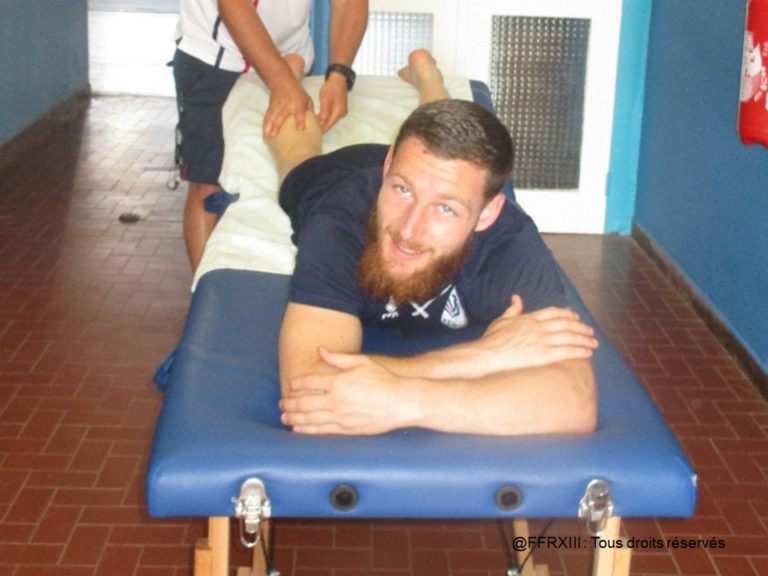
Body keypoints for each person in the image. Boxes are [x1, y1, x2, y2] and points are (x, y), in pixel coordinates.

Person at [270, 49, 599, 437]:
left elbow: (575, 400)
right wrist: (482, 356)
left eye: (445, 209)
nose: (410, 230)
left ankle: (427, 77)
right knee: (296, 153)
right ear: (388, 167)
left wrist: (404, 401)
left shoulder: (508, 241)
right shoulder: (339, 219)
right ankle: (287, 81)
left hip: (423, 167)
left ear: (488, 214)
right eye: (402, 190)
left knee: (448, 133)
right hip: (334, 176)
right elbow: (309, 389)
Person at [174, 0, 369, 270]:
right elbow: (233, 6)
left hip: (291, 53)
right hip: (217, 56)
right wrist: (283, 83)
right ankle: (206, 289)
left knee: (271, 178)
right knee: (209, 185)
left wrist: (340, 74)